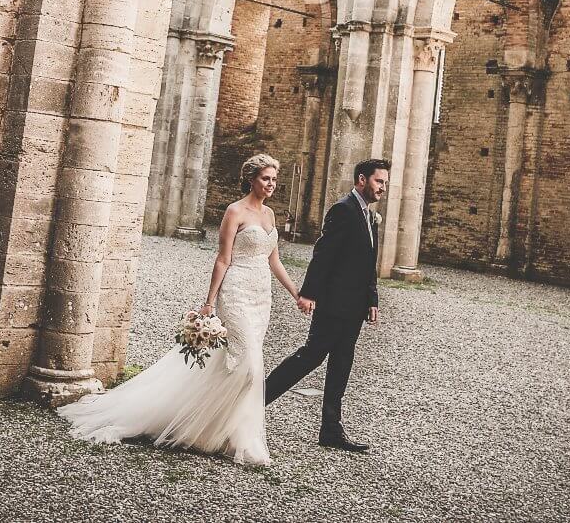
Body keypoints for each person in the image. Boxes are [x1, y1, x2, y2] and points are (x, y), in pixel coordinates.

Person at [58, 153, 305, 465]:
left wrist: (296, 292)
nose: (271, 184)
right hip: (236, 293)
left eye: (274, 179)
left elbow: (274, 259)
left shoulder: (269, 216)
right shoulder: (235, 211)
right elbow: (223, 259)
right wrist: (210, 303)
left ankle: (216, 430)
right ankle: (245, 440)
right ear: (251, 180)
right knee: (250, 367)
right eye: (265, 178)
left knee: (229, 367)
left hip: (261, 297)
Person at [264, 158, 389, 453]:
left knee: (341, 365)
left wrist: (372, 299)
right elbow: (324, 255)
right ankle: (256, 402)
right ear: (362, 180)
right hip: (334, 303)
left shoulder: (370, 216)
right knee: (309, 357)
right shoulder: (343, 209)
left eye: (384, 182)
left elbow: (368, 263)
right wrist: (309, 293)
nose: (383, 187)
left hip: (355, 307)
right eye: (378, 181)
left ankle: (331, 429)